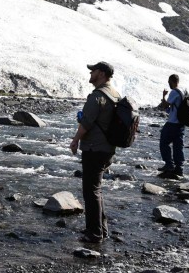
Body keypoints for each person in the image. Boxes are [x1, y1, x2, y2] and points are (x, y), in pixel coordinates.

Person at [69, 61, 120, 244]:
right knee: (96, 189)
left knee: (90, 191)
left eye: (93, 71)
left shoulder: (97, 96)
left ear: (102, 73)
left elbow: (87, 123)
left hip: (94, 148)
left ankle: (94, 233)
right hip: (107, 149)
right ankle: (101, 229)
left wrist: (75, 140)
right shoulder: (115, 94)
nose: (90, 73)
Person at [158, 74, 185, 176]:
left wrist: (164, 96)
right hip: (181, 124)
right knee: (178, 145)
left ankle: (169, 164)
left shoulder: (174, 92)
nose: (168, 84)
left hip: (173, 123)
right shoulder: (183, 91)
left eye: (169, 82)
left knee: (164, 142)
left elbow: (165, 105)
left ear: (172, 81)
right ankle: (179, 168)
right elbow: (172, 108)